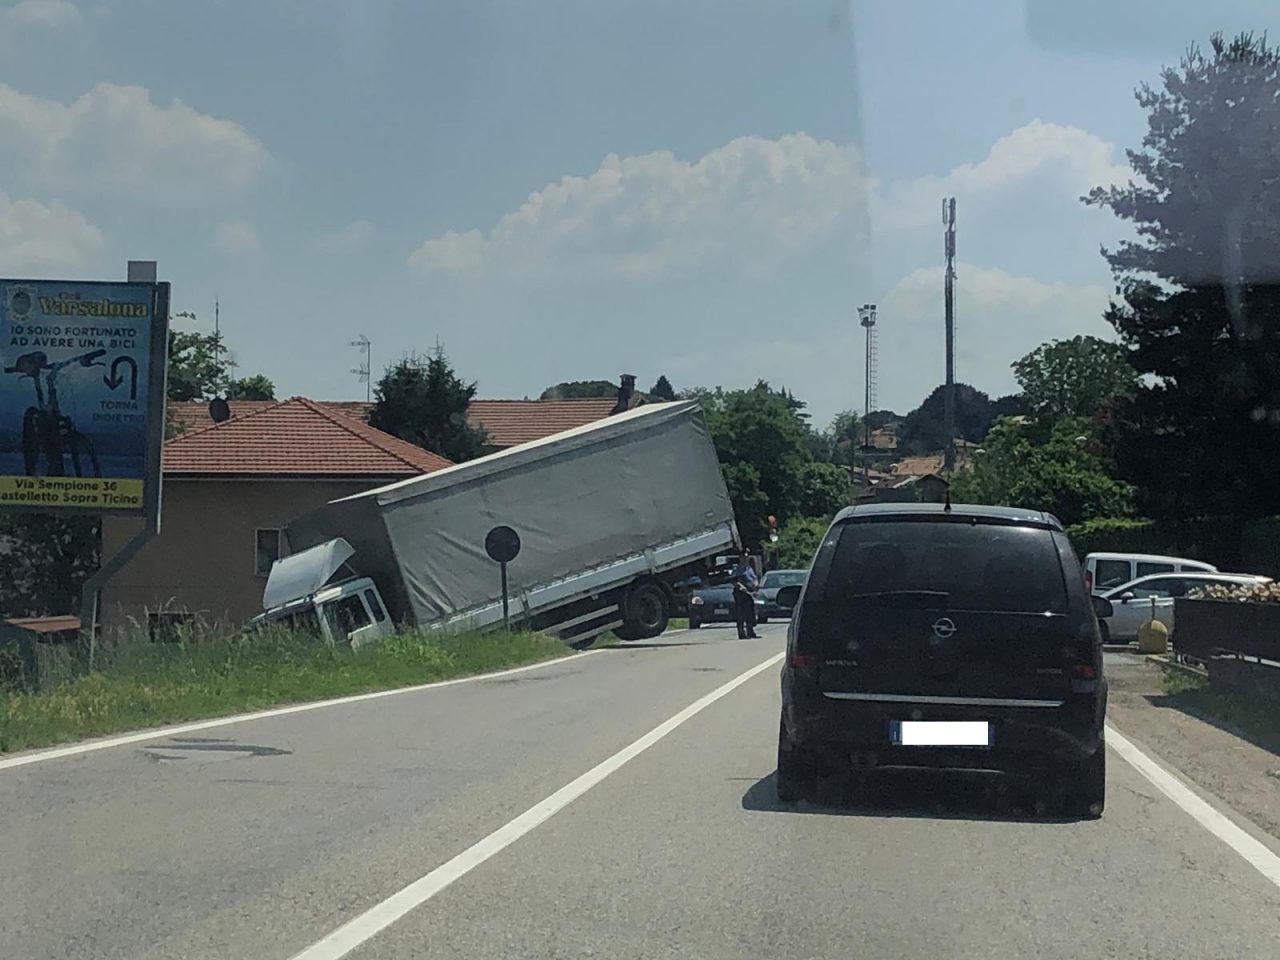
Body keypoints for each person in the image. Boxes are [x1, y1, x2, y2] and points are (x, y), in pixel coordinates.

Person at [729, 551, 760, 639]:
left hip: (749, 593)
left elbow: (754, 578)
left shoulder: (749, 568)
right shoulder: (738, 569)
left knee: (750, 613)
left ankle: (750, 631)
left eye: (746, 557)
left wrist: (755, 584)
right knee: (741, 614)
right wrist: (741, 587)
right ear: (740, 558)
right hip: (740, 594)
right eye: (743, 557)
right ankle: (741, 633)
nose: (745, 559)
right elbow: (734, 580)